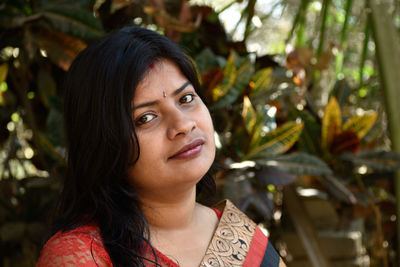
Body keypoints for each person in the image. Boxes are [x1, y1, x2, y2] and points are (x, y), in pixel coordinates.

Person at [37, 26, 286, 267]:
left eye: (186, 99)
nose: (184, 124)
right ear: (104, 144)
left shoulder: (243, 237)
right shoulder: (79, 257)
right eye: (145, 118)